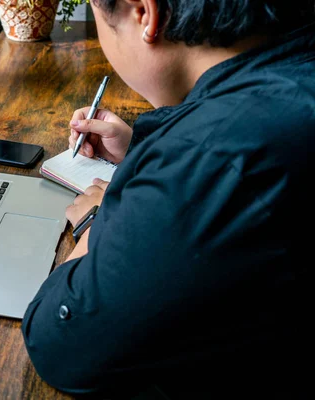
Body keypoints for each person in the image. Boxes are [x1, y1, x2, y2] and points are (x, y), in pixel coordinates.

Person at [21, 0, 314, 396]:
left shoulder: (214, 156)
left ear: (145, 13)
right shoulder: (293, 58)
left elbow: (59, 342)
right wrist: (142, 148)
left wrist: (102, 216)